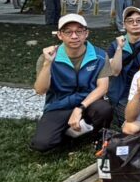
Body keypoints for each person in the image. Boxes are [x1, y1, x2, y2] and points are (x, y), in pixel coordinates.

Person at [32, 14, 113, 152]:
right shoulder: (47, 57)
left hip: (88, 104)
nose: (74, 36)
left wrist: (79, 108)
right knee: (41, 144)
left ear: (86, 33)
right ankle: (71, 134)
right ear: (60, 35)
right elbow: (40, 90)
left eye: (79, 31)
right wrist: (48, 64)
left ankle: (96, 135)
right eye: (68, 32)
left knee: (104, 109)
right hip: (59, 105)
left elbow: (103, 88)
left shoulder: (99, 55)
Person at [107, 7, 140, 126]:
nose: (135, 24)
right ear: (124, 24)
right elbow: (114, 72)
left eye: (139, 20)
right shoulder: (115, 45)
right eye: (130, 21)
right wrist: (120, 48)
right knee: (130, 122)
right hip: (122, 93)